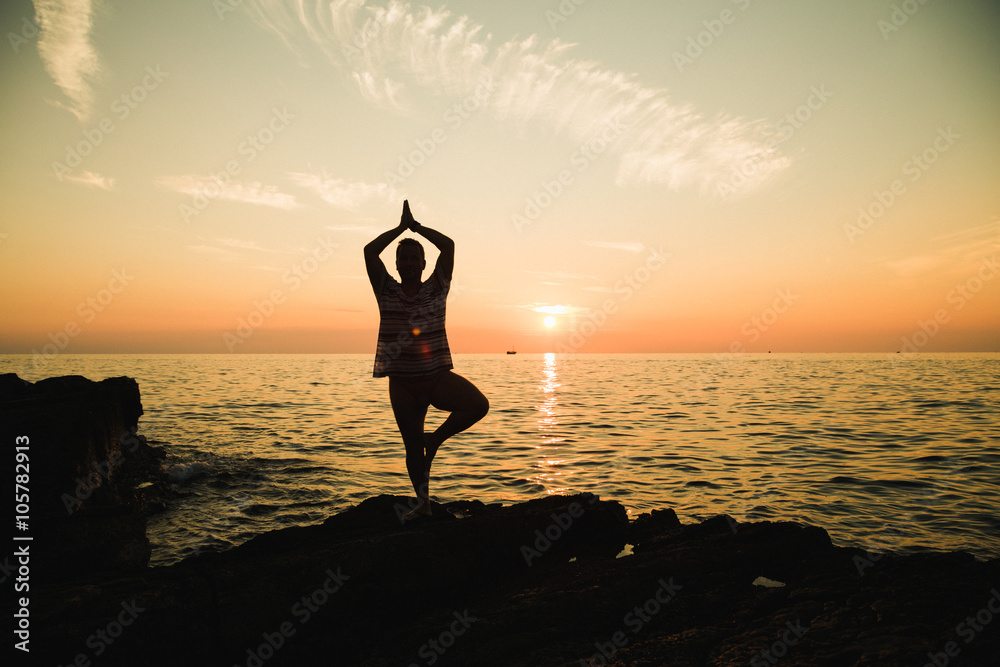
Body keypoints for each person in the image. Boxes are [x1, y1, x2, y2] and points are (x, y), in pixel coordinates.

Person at [364, 200, 489, 520]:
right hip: (403, 385)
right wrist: (398, 229)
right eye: (402, 258)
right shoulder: (385, 289)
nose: (407, 261)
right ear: (396, 264)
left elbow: (447, 245)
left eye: (413, 257)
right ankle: (424, 505)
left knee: (478, 405)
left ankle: (436, 438)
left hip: (436, 378)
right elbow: (368, 252)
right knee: (411, 448)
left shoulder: (437, 287)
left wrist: (415, 227)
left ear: (423, 263)